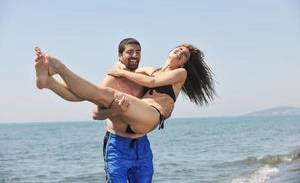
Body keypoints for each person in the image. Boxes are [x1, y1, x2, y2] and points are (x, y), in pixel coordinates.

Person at [34, 38, 159, 182]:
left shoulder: (143, 79)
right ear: (120, 56)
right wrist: (114, 110)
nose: (135, 55)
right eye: (130, 52)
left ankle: (49, 82)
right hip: (118, 145)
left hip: (142, 145)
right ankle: (52, 77)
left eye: (138, 52)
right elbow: (95, 113)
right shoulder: (112, 80)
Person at [35, 43, 215, 135]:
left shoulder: (180, 73)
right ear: (171, 51)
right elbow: (130, 70)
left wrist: (122, 73)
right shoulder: (152, 69)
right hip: (134, 119)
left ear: (184, 62)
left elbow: (151, 83)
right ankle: (49, 83)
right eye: (179, 49)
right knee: (98, 95)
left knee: (107, 94)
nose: (180, 53)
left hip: (152, 115)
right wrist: (118, 68)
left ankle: (59, 67)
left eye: (184, 55)